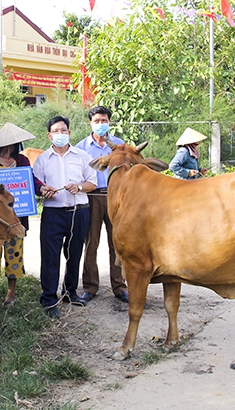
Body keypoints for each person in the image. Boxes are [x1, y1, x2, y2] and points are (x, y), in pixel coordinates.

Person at [33, 116, 97, 318]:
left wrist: (78, 187)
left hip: (79, 211)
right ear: (49, 135)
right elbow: (37, 186)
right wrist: (44, 190)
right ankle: (49, 299)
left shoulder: (82, 156)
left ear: (69, 132)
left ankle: (70, 292)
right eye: (56, 131)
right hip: (53, 212)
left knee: (74, 254)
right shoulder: (43, 159)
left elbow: (92, 183)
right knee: (50, 257)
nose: (60, 134)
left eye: (64, 130)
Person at [76, 106, 129, 304]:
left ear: (109, 121)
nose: (100, 124)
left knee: (117, 242)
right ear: (90, 122)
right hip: (92, 197)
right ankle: (90, 286)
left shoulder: (120, 145)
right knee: (91, 243)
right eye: (96, 120)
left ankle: (120, 285)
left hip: (116, 198)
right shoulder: (82, 147)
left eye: (104, 120)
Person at [0, 122, 43, 307]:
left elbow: (30, 179)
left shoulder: (22, 161)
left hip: (17, 217)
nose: (11, 146)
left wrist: (41, 188)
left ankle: (11, 294)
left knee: (14, 254)